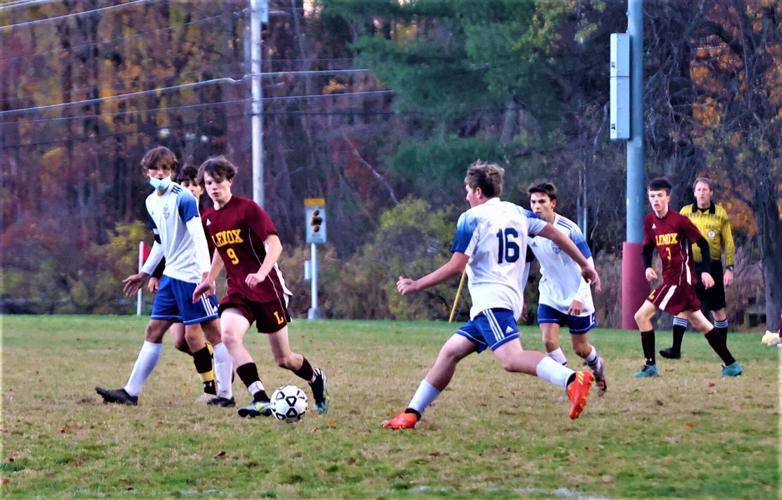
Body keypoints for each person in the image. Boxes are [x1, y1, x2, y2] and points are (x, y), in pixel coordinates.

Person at [381, 161, 601, 430]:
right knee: (450, 352)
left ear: (477, 192)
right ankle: (411, 414)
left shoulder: (471, 218)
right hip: (499, 302)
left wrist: (416, 285)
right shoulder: (517, 211)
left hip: (492, 302)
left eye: (467, 191)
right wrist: (585, 265)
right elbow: (555, 233)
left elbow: (456, 266)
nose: (465, 196)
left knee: (511, 360)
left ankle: (571, 380)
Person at [192, 156, 329, 418]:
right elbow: (221, 250)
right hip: (238, 291)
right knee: (229, 336)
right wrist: (209, 279)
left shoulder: (248, 209)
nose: (213, 187)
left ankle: (316, 378)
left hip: (268, 291)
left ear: (229, 181)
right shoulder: (209, 219)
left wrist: (261, 273)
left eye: (218, 181)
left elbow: (275, 244)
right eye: (208, 183)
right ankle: (260, 397)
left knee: (284, 359)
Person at [95, 146, 232, 405]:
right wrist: (145, 273)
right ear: (147, 171)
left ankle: (225, 394)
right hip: (170, 276)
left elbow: (198, 238)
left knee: (213, 335)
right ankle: (130, 393)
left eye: (166, 169)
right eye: (156, 168)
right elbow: (160, 241)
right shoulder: (151, 202)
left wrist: (206, 276)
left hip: (192, 278)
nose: (161, 173)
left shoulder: (184, 198)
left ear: (172, 171)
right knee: (154, 330)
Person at [633, 177, 742, 378]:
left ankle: (650, 366)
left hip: (679, 281)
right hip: (672, 280)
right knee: (701, 323)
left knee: (641, 316)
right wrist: (647, 266)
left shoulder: (680, 220)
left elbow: (703, 244)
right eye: (652, 196)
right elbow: (647, 248)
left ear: (668, 197)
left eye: (659, 196)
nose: (655, 200)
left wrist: (707, 270)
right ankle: (731, 364)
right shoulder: (650, 222)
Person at [146, 165, 235, 406]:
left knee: (197, 335)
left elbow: (216, 248)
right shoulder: (174, 208)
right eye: (184, 184)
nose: (188, 188)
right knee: (180, 341)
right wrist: (154, 274)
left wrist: (209, 275)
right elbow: (167, 245)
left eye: (193, 184)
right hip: (175, 279)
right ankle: (221, 365)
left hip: (196, 280)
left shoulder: (205, 217)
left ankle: (213, 386)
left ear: (200, 188)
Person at [524, 182, 606, 395]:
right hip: (550, 294)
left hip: (577, 296)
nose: (536, 207)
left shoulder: (569, 229)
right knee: (548, 340)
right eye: (533, 202)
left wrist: (579, 298)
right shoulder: (528, 229)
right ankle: (570, 383)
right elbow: (523, 263)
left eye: (542, 202)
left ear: (553, 203)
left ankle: (597, 366)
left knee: (581, 349)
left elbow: (588, 265)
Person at [660, 176, 735, 359]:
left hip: (713, 266)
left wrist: (729, 268)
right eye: (698, 190)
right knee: (683, 306)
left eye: (705, 190)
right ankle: (676, 348)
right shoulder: (685, 212)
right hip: (689, 266)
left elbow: (729, 243)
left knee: (717, 310)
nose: (701, 193)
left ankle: (722, 351)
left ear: (711, 192)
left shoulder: (720, 213)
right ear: (694, 193)